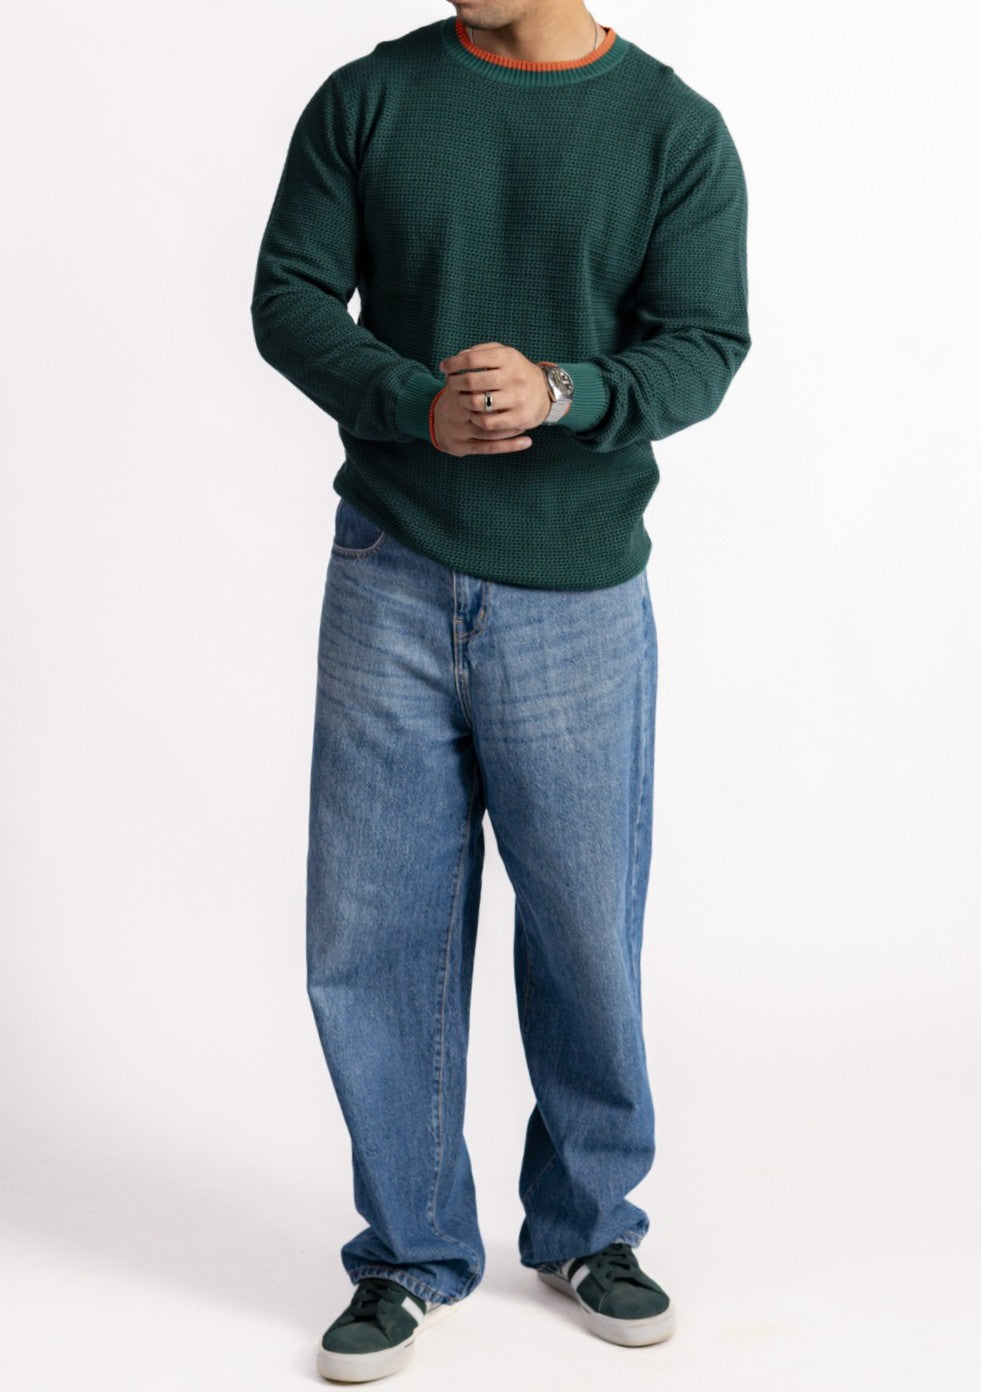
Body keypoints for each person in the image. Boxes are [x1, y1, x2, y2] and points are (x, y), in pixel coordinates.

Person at [251, 0, 750, 1380]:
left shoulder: (671, 130)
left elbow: (706, 341)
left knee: (584, 928)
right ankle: (408, 1253)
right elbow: (289, 295)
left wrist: (567, 392)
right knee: (370, 931)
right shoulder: (370, 98)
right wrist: (411, 401)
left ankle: (588, 1229)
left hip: (577, 590)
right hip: (389, 567)